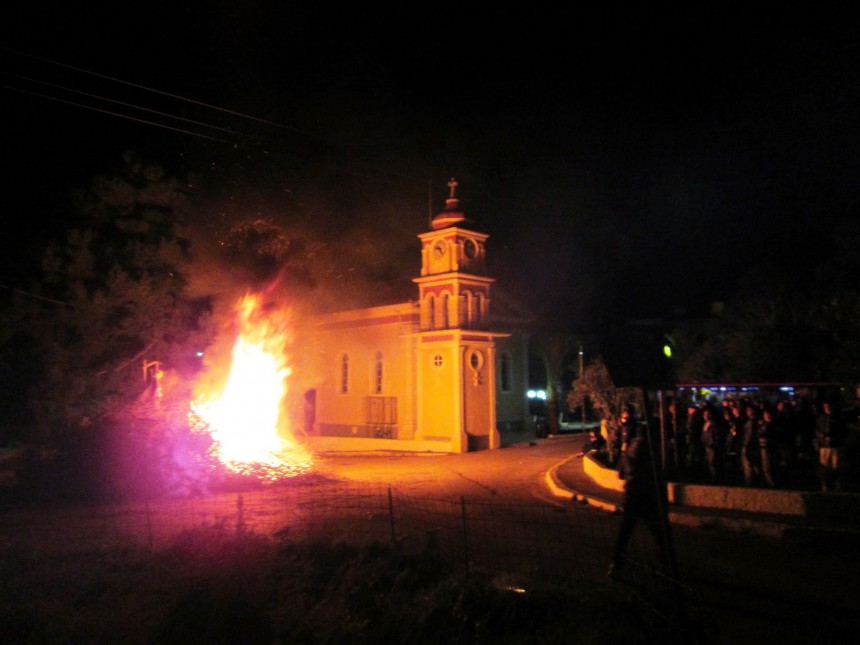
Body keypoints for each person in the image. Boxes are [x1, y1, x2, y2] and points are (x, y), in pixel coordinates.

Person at [608, 419, 670, 579]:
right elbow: (655, 474)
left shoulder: (631, 447)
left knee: (625, 532)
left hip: (633, 494)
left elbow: (622, 472)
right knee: (659, 533)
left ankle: (616, 564)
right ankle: (665, 565)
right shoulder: (650, 449)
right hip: (646, 495)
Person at [815, 401, 847, 492]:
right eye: (825, 407)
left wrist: (834, 437)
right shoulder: (821, 419)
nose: (827, 409)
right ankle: (825, 483)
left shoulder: (838, 419)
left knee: (835, 465)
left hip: (835, 445)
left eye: (829, 407)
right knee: (824, 465)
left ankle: (836, 483)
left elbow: (843, 431)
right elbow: (817, 431)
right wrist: (822, 437)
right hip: (825, 445)